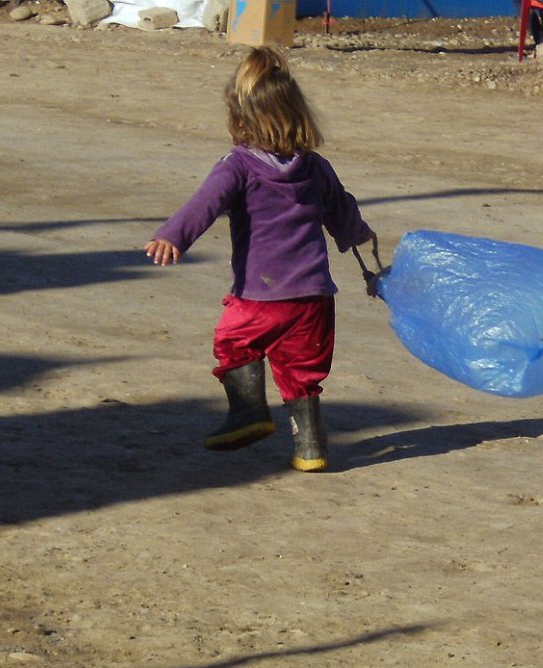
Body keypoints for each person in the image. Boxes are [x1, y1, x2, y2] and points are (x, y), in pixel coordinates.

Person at [145, 45, 377, 473]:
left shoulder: (238, 167)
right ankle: (310, 447)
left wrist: (172, 236)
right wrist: (359, 237)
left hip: (261, 293)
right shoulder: (315, 166)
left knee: (234, 343)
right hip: (313, 297)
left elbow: (205, 204)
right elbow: (342, 211)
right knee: (301, 369)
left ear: (238, 119)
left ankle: (249, 412)